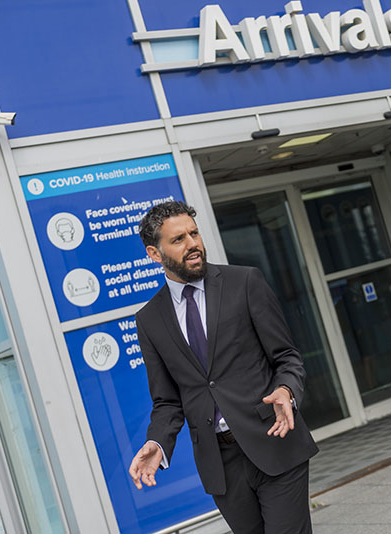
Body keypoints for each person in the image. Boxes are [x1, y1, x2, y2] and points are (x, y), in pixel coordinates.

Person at [128, 201, 318, 534]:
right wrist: (157, 443)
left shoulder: (245, 282)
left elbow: (286, 356)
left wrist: (286, 390)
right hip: (222, 465)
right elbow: (168, 400)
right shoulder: (149, 320)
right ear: (155, 255)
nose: (192, 244)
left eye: (194, 233)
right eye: (178, 239)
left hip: (274, 439)